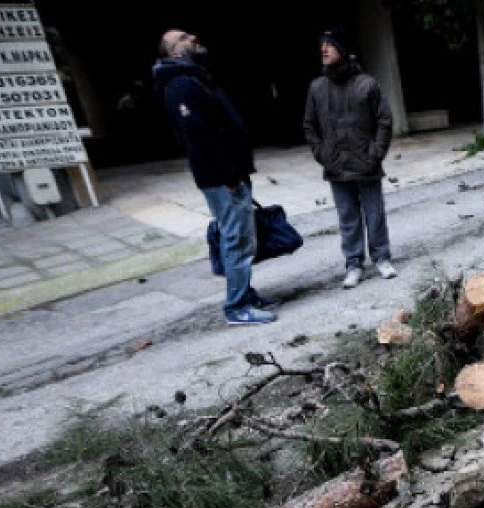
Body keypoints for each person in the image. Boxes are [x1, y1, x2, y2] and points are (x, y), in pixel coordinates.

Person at [154, 29, 277, 325]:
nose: (193, 37)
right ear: (173, 51)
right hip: (222, 177)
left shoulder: (194, 77)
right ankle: (237, 307)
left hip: (229, 174)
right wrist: (229, 175)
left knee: (243, 238)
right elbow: (197, 138)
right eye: (184, 37)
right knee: (236, 239)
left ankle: (245, 295)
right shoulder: (181, 84)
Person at [304, 26, 396, 289]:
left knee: (374, 213)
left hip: (366, 163)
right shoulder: (317, 88)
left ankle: (382, 258)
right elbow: (309, 126)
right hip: (336, 166)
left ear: (343, 50)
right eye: (321, 45)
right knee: (347, 217)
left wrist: (376, 152)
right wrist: (322, 154)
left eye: (329, 45)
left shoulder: (367, 84)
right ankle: (353, 263)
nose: (323, 49)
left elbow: (384, 120)